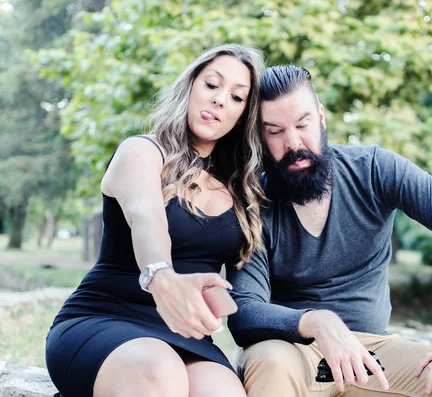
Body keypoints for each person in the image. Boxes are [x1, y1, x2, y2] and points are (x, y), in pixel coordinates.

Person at [227, 65, 432, 397]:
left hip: (375, 356)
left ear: (321, 116)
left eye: (303, 125)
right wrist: (316, 321)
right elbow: (244, 310)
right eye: (274, 131)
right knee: (271, 362)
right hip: (290, 350)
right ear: (259, 135)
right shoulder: (252, 202)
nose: (294, 143)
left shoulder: (375, 169)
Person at [45, 44, 266, 397]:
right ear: (190, 86)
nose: (221, 100)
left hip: (187, 338)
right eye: (212, 84)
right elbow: (147, 218)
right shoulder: (143, 152)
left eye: (237, 97)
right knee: (158, 372)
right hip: (105, 318)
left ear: (244, 114)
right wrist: (160, 274)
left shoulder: (242, 191)